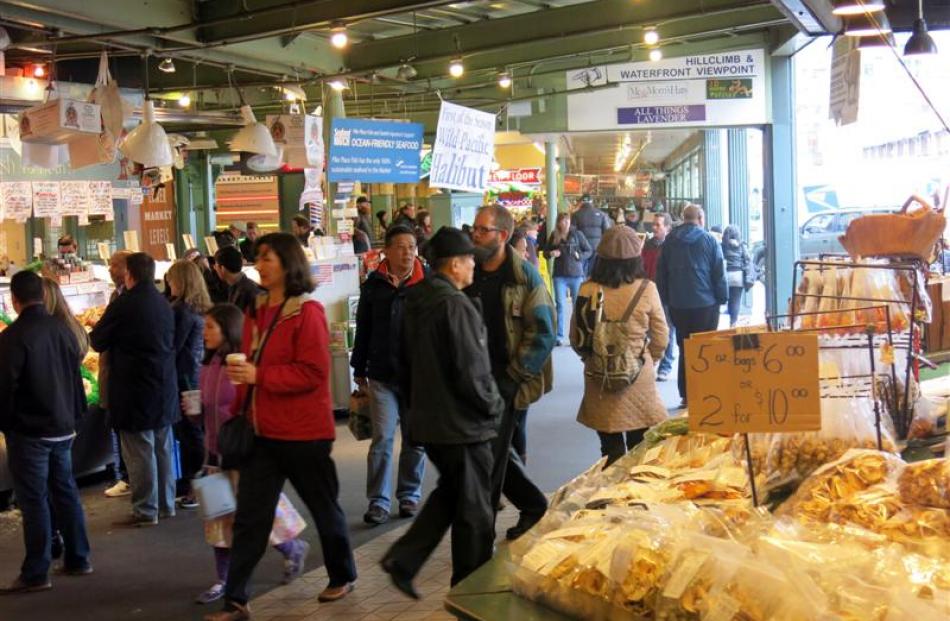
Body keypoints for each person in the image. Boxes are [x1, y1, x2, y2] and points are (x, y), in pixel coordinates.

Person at [209, 233, 356, 621]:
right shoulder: (258, 309)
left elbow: (312, 373)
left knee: (324, 508)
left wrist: (260, 375)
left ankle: (342, 574)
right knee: (251, 519)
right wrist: (242, 396)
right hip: (262, 433)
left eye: (266, 258)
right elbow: (255, 367)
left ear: (288, 264)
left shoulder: (307, 312)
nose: (258, 264)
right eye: (258, 257)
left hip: (304, 433)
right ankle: (235, 599)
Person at [381, 227, 504, 598]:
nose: (474, 268)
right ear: (454, 265)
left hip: (430, 422)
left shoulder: (415, 301)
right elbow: (472, 370)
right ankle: (472, 591)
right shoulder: (455, 305)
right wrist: (494, 407)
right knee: (476, 514)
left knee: (454, 494)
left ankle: (404, 559)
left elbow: (399, 362)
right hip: (462, 425)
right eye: (470, 261)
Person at [194, 304, 309, 605]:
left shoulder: (242, 364)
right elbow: (207, 410)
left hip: (243, 451)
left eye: (210, 327)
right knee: (218, 517)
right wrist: (194, 415)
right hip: (214, 454)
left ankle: (291, 547)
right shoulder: (206, 366)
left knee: (256, 511)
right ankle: (224, 578)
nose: (204, 332)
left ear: (228, 329)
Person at [0, 271, 92, 594]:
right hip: (63, 427)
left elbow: (5, 388)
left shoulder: (12, 337)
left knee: (34, 500)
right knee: (65, 491)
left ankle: (37, 571)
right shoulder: (63, 329)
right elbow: (74, 376)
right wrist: (75, 417)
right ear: (42, 294)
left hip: (30, 432)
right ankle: (79, 557)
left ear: (14, 300)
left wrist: (7, 423)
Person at [468, 205, 555, 540]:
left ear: (502, 236)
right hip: (472, 381)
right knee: (494, 451)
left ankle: (480, 539)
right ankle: (534, 505)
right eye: (474, 228)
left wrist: (513, 376)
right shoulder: (468, 271)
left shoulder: (525, 277)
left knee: (488, 459)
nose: (474, 235)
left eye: (482, 230)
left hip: (506, 382)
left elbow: (544, 331)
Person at [90, 252, 178, 527]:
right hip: (163, 385)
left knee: (139, 451)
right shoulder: (164, 302)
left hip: (134, 388)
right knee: (162, 448)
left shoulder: (125, 304)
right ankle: (166, 504)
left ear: (129, 274)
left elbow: (98, 340)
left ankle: (145, 509)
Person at [570, 227, 669, 466]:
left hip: (599, 375)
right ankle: (635, 496)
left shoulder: (587, 289)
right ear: (636, 258)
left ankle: (612, 492)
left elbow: (576, 336)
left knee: (611, 451)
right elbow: (661, 336)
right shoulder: (647, 289)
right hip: (638, 374)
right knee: (639, 449)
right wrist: (649, 359)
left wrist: (592, 357)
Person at [351, 225, 427, 527]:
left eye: (411, 246)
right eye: (401, 246)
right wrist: (359, 368)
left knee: (415, 439)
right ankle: (378, 501)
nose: (407, 252)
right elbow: (364, 329)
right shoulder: (374, 285)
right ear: (387, 250)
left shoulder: (428, 283)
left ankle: (409, 493)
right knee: (382, 439)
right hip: (381, 375)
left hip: (417, 377)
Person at [655, 205, 727, 407]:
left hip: (679, 304)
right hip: (706, 304)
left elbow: (661, 273)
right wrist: (722, 298)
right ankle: (706, 394)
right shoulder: (710, 240)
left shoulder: (670, 242)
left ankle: (686, 395)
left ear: (683, 218)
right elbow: (719, 273)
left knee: (684, 347)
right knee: (706, 348)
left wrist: (665, 300)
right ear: (701, 218)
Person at [166, 260, 212, 509]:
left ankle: (194, 485)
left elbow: (173, 346)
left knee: (190, 433)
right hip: (196, 374)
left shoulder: (181, 311)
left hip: (184, 377)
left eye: (171, 279)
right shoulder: (200, 309)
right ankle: (196, 482)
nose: (168, 283)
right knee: (196, 431)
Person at [101, 250, 134, 498]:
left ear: (126, 269)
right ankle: (124, 475)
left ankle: (127, 478)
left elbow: (102, 336)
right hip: (113, 371)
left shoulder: (129, 299)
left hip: (124, 375)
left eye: (113, 265)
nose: (110, 269)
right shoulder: (116, 295)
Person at [545, 212, 592, 346]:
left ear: (570, 222)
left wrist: (580, 256)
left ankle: (577, 335)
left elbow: (589, 250)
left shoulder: (578, 235)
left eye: (567, 221)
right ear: (558, 223)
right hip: (559, 275)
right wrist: (551, 253)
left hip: (576, 275)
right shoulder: (554, 235)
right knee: (560, 304)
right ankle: (559, 336)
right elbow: (545, 252)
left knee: (577, 306)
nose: (565, 224)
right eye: (563, 221)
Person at [641, 212, 676, 381]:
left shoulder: (672, 246)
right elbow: (642, 267)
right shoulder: (647, 245)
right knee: (647, 329)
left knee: (667, 329)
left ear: (668, 228)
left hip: (666, 294)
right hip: (649, 292)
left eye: (658, 225)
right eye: (654, 224)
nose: (654, 228)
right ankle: (651, 362)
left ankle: (666, 365)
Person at [214, 246, 263, 315]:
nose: (214, 268)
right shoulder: (236, 285)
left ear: (222, 268)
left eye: (216, 265)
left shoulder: (247, 291)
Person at [571, 194, 611, 275]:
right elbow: (607, 232)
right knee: (594, 273)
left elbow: (572, 233)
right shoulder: (602, 214)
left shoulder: (576, 215)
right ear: (591, 202)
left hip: (582, 249)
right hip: (597, 247)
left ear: (581, 202)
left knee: (582, 273)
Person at [722, 225, 752, 327]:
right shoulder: (742, 245)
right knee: (736, 300)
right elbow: (747, 259)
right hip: (738, 275)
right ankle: (733, 322)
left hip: (726, 275)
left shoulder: (723, 245)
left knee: (729, 298)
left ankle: (730, 314)